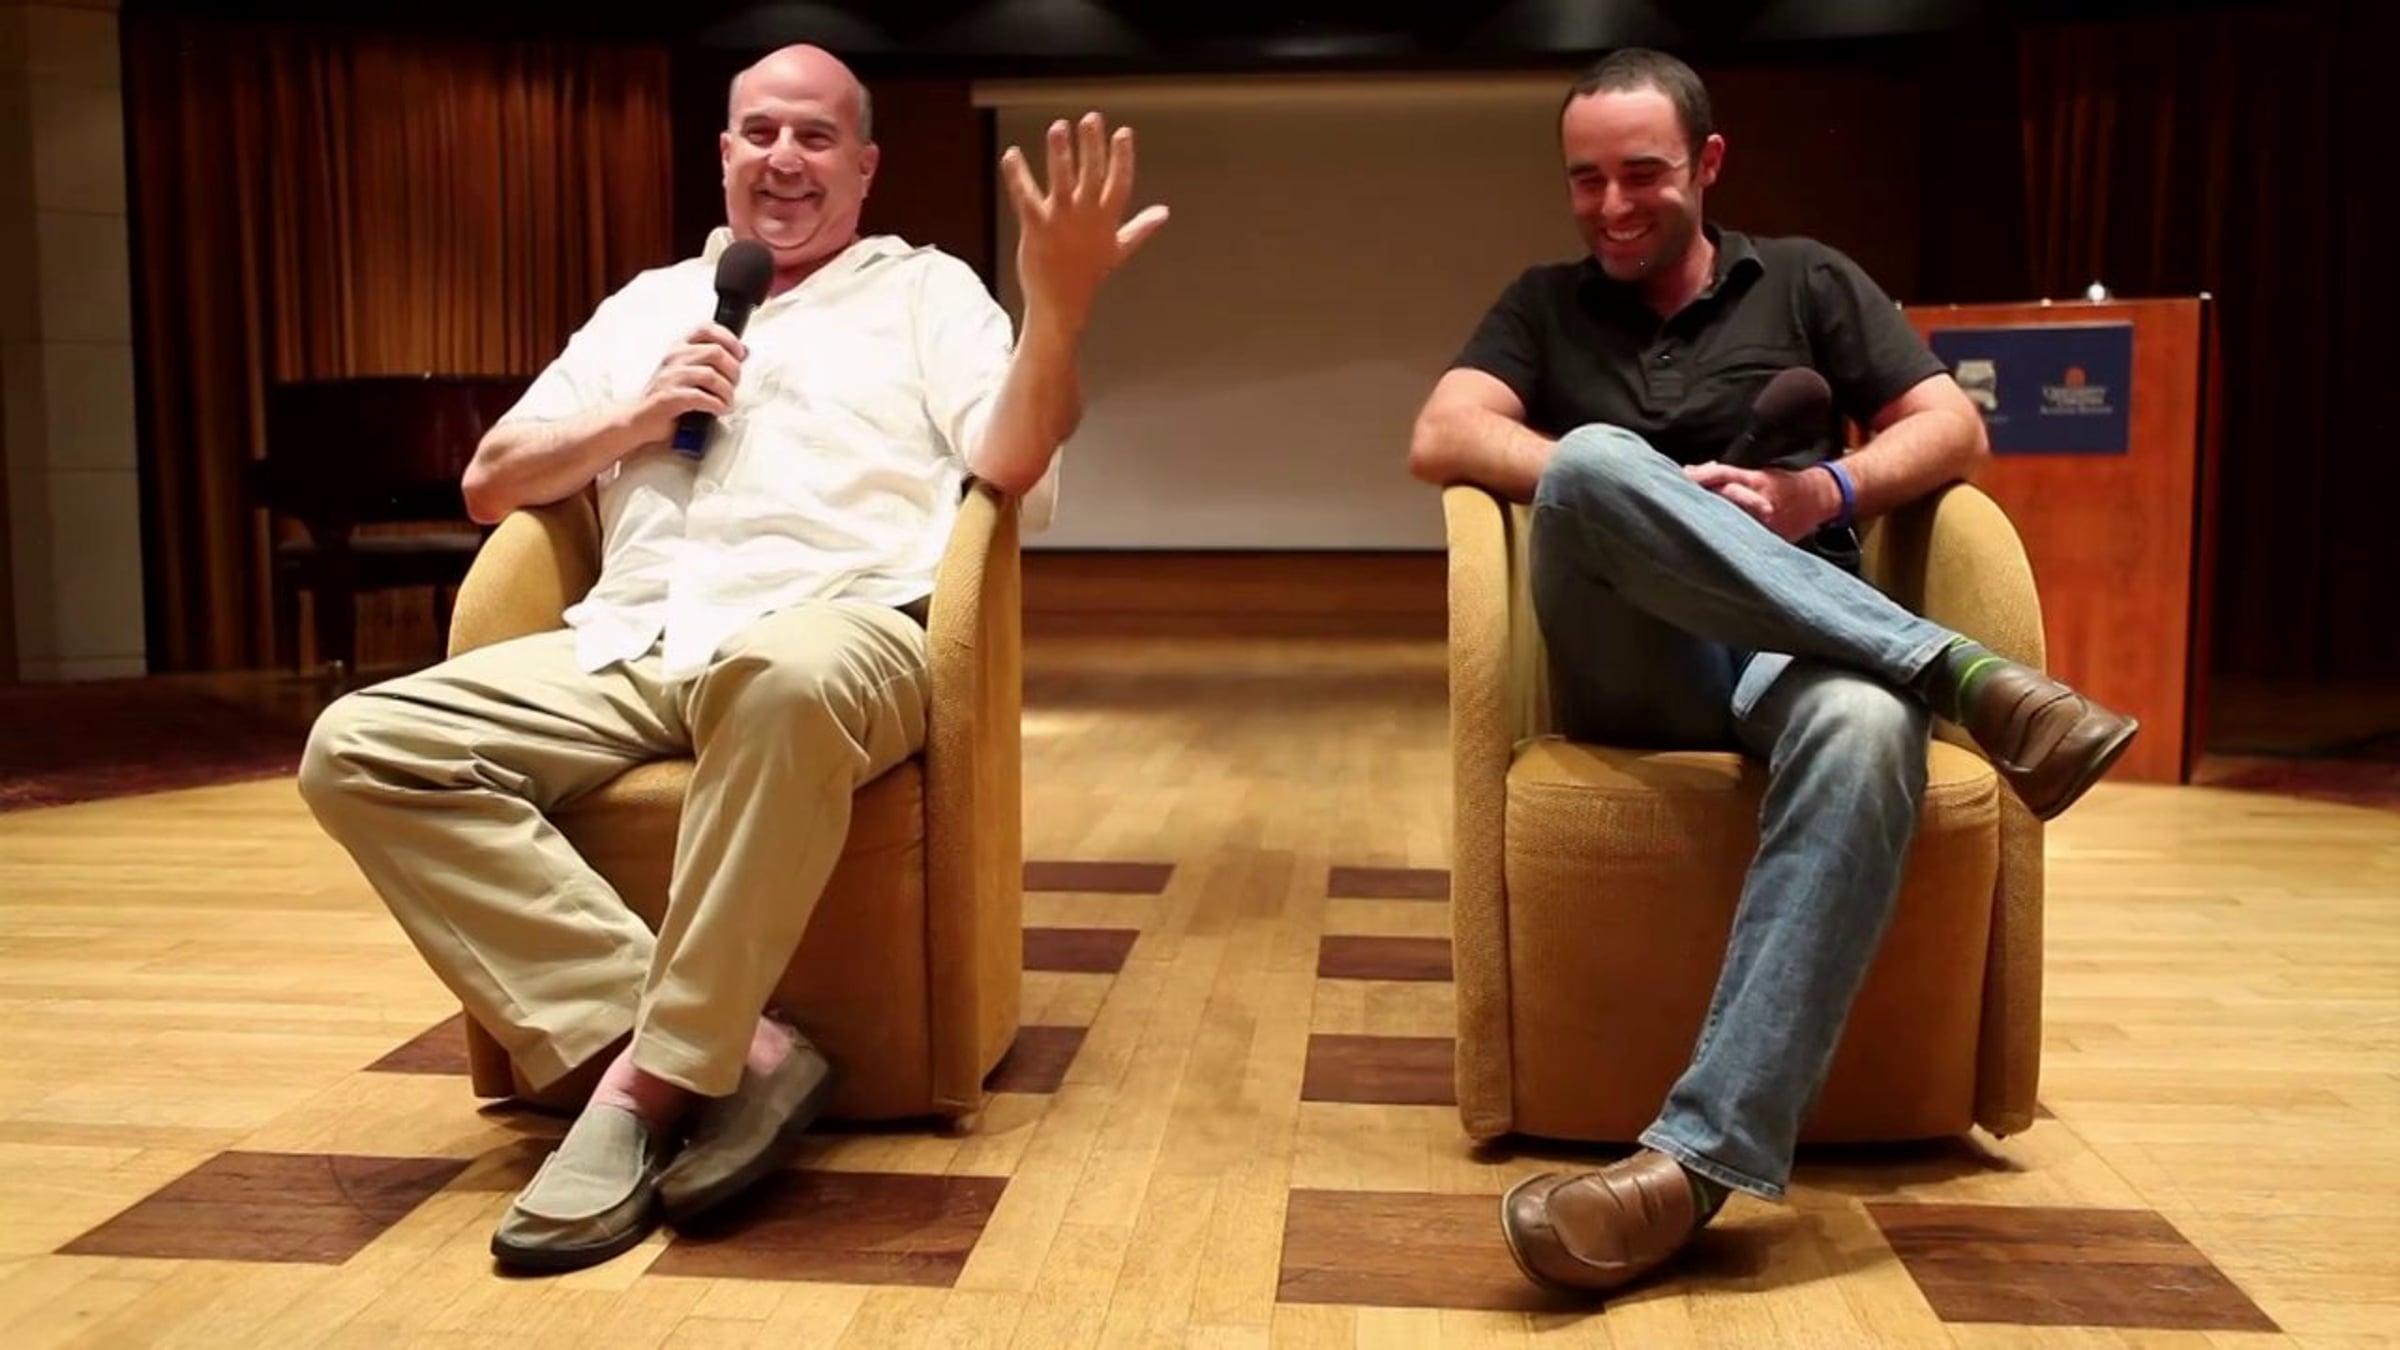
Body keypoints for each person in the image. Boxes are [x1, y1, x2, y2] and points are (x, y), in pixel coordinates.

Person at [297, 43, 1167, 1272]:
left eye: (815, 136)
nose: (784, 160)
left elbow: (1012, 460)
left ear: (864, 166)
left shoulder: (925, 292)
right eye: (760, 132)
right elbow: (491, 483)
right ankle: (743, 1051)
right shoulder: (650, 305)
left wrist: (1057, 312)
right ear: (722, 153)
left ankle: (644, 1089)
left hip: (840, 629)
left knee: (778, 679)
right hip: (632, 639)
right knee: (361, 745)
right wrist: (634, 417)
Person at [1407, 48, 2136, 1295]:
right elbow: (1443, 432)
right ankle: (1959, 672)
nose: (1612, 206)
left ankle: (1693, 1167)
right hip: (1640, 659)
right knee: (1592, 464)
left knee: (1870, 725)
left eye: (1642, 173)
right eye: (1585, 180)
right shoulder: (1543, 305)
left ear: (1708, 162)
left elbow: (1953, 424)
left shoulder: (1805, 278)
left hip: (1805, 642)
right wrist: (1653, 491)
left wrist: (1821, 492)